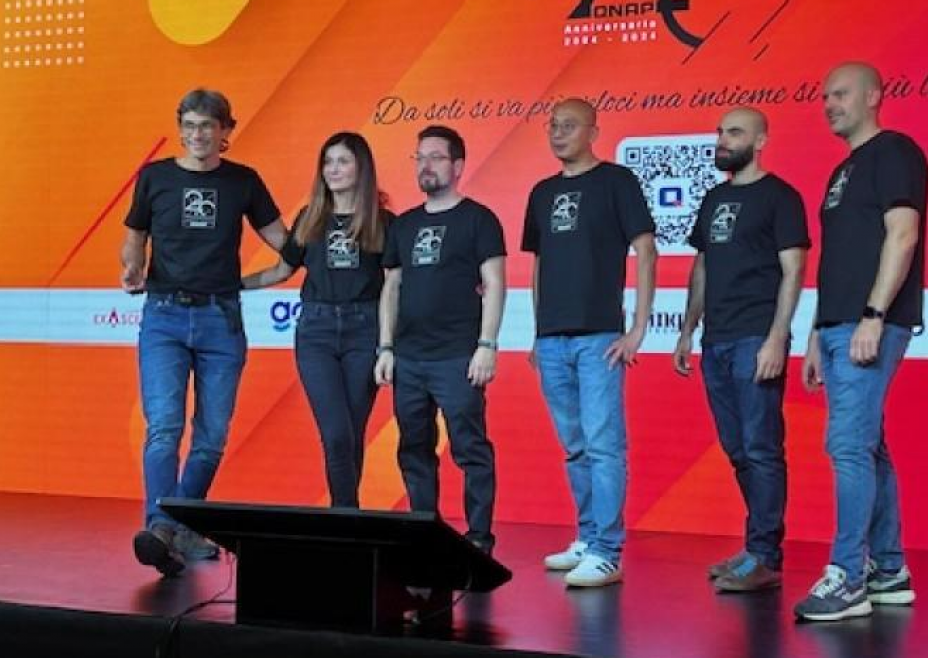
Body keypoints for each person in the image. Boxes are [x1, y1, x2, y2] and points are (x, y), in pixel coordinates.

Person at [121, 88, 286, 576]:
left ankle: (171, 529)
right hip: (164, 315)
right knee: (164, 427)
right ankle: (163, 527)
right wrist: (132, 267)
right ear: (180, 128)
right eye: (190, 126)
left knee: (211, 436)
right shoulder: (154, 177)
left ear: (225, 131)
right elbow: (134, 237)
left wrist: (264, 277)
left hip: (221, 319)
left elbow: (286, 244)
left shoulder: (243, 181)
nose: (198, 135)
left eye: (208, 126)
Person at [793, 62, 928, 621]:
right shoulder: (842, 170)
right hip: (837, 325)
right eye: (825, 96)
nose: (830, 104)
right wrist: (815, 334)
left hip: (868, 323)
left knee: (848, 446)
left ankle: (848, 576)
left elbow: (904, 234)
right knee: (868, 447)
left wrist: (874, 314)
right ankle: (889, 570)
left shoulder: (894, 152)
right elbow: (839, 260)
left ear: (874, 96)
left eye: (841, 94)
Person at [522, 98, 657, 587]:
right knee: (575, 446)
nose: (558, 133)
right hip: (552, 340)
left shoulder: (617, 181)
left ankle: (607, 550)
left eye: (569, 125)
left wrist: (637, 328)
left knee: (604, 446)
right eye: (553, 125)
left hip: (599, 337)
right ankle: (587, 536)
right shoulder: (541, 192)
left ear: (594, 132)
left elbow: (646, 250)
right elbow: (539, 265)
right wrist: (538, 331)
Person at [673, 107, 809, 592]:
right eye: (720, 132)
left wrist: (777, 337)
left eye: (734, 132)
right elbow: (703, 267)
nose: (723, 140)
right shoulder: (714, 198)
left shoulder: (780, 197)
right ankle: (756, 547)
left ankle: (765, 555)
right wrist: (688, 330)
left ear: (761, 140)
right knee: (736, 448)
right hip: (717, 339)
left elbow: (794, 270)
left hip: (756, 336)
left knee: (761, 447)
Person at [241, 131, 391, 507]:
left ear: (361, 168)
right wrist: (232, 284)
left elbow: (397, 285)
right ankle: (346, 517)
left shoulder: (384, 222)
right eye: (327, 162)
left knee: (352, 433)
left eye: (343, 161)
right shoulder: (310, 218)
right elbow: (281, 271)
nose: (333, 169)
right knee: (336, 433)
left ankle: (345, 516)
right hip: (316, 332)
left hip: (365, 330)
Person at [375, 125, 505, 553]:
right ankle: (424, 532)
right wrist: (386, 347)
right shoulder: (404, 225)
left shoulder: (479, 219)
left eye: (435, 157)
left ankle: (479, 537)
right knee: (414, 448)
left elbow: (494, 283)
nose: (425, 166)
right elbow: (391, 287)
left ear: (458, 166)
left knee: (470, 448)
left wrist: (487, 345)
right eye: (420, 158)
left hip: (458, 356)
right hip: (408, 359)